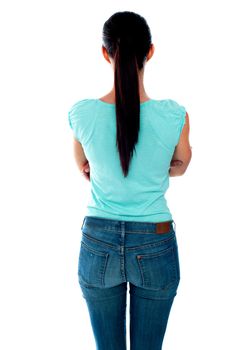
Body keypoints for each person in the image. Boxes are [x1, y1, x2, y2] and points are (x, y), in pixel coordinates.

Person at [68, 10, 192, 350]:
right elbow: (180, 165)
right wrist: (157, 168)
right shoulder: (174, 115)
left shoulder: (81, 114)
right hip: (155, 242)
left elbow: (85, 168)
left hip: (98, 244)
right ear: (150, 52)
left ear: (105, 53)